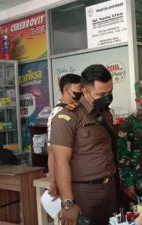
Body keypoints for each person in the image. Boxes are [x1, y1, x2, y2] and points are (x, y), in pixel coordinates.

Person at [50, 64, 117, 225]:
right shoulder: (67, 117)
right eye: (101, 93)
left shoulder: (104, 113)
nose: (107, 97)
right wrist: (68, 203)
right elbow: (61, 162)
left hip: (110, 190)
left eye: (110, 92)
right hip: (85, 193)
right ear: (85, 91)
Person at [47, 73, 82, 198]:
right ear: (67, 90)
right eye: (79, 90)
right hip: (68, 177)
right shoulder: (58, 113)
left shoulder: (78, 109)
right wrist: (53, 182)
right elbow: (52, 151)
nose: (82, 93)